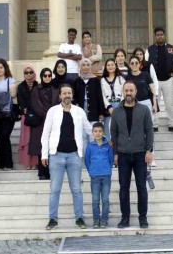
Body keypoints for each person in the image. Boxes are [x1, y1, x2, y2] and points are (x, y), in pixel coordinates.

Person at [41, 84, 92, 230]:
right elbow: (45, 134)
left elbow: (89, 129)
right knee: (55, 189)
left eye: (69, 93)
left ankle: (79, 218)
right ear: (60, 96)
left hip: (74, 156)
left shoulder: (79, 112)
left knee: (76, 189)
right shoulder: (52, 111)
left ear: (72, 95)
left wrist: (103, 138)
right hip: (56, 156)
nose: (67, 95)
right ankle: (53, 219)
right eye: (64, 93)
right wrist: (44, 154)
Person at [110, 80, 154, 229]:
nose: (128, 93)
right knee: (124, 188)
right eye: (126, 90)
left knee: (141, 187)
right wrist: (115, 153)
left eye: (131, 90)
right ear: (123, 92)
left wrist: (149, 150)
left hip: (140, 154)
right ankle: (125, 218)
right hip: (122, 155)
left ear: (135, 92)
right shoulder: (117, 111)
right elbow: (113, 133)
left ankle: (143, 218)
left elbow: (149, 130)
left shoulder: (144, 110)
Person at [146, 27, 173, 132]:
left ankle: (172, 124)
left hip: (169, 80)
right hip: (155, 81)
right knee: (155, 103)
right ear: (155, 37)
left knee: (169, 104)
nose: (159, 36)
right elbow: (146, 64)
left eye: (161, 34)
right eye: (157, 35)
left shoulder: (171, 48)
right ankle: (155, 124)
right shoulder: (150, 49)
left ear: (164, 35)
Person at [30, 68, 59, 180]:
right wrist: (47, 115)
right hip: (41, 122)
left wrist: (52, 116)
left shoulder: (55, 90)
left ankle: (51, 171)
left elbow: (57, 104)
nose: (47, 77)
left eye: (49, 75)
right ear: (41, 76)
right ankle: (42, 173)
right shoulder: (36, 89)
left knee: (52, 146)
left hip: (53, 122)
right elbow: (36, 104)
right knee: (41, 147)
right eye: (45, 75)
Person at [84, 122, 113, 229]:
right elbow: (87, 161)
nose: (98, 133)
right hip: (94, 176)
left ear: (103, 132)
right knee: (95, 200)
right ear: (92, 133)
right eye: (95, 131)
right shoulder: (90, 146)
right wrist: (91, 171)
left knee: (105, 199)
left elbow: (111, 160)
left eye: (100, 131)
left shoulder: (108, 145)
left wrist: (107, 169)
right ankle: (96, 220)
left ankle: (104, 220)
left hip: (106, 176)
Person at [0, 58, 17, 170]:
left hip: (8, 113)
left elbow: (13, 94)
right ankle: (1, 163)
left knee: (5, 136)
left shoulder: (10, 80)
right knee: (0, 138)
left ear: (5, 68)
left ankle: (9, 164)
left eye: (1, 67)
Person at [74, 59, 104, 139]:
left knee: (93, 137)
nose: (86, 67)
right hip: (81, 111)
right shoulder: (77, 81)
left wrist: (101, 112)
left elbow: (99, 96)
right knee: (82, 137)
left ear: (90, 66)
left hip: (94, 111)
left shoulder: (95, 80)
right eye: (83, 65)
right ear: (80, 67)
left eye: (88, 65)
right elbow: (75, 96)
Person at [16, 65, 39, 170]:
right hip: (26, 116)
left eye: (30, 72)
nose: (29, 74)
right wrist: (25, 109)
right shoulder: (21, 86)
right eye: (26, 72)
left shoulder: (37, 85)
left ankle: (35, 163)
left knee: (35, 139)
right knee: (27, 140)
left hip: (36, 116)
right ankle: (27, 163)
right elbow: (20, 100)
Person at [133, 47, 159, 131]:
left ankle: (153, 127)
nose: (139, 56)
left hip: (148, 94)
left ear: (143, 55)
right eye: (137, 54)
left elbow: (154, 79)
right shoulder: (132, 66)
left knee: (150, 117)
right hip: (135, 97)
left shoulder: (148, 65)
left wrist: (156, 93)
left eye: (141, 54)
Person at [126, 55, 157, 122]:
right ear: (129, 65)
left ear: (140, 64)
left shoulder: (146, 75)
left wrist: (154, 104)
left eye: (136, 63)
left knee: (148, 125)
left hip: (146, 103)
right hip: (133, 104)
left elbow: (153, 91)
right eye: (132, 63)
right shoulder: (128, 77)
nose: (134, 64)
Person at [100, 58, 125, 134]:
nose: (110, 67)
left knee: (120, 128)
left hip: (119, 105)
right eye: (108, 65)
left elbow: (124, 92)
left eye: (112, 65)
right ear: (105, 67)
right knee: (108, 129)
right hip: (108, 107)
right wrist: (109, 107)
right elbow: (102, 95)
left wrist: (121, 105)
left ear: (115, 66)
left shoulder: (121, 78)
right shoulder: (102, 80)